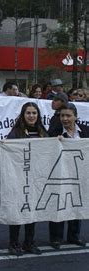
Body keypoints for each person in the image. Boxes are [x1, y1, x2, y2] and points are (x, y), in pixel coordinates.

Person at [6, 102, 48, 256]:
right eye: (28, 113)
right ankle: (14, 243)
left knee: (32, 212)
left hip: (36, 179)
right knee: (18, 211)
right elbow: (9, 151)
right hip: (19, 178)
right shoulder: (16, 132)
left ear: (38, 116)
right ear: (23, 115)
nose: (31, 116)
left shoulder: (43, 132)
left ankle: (29, 242)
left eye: (34, 113)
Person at [49, 103, 87, 249]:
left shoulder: (85, 131)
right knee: (59, 205)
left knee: (76, 204)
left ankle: (74, 236)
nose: (64, 119)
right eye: (62, 116)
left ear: (75, 117)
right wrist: (54, 142)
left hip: (80, 174)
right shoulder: (54, 132)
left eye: (68, 115)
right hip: (61, 174)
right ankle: (56, 238)